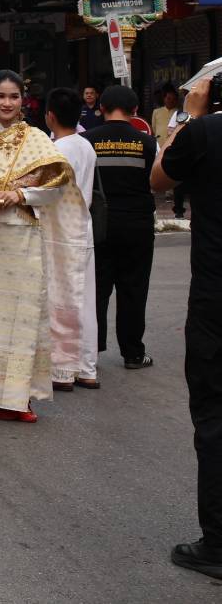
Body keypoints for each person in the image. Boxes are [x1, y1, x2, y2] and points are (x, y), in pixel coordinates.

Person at [150, 77, 222, 578]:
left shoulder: (204, 131)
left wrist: (189, 117)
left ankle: (217, 544)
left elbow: (159, 179)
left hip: (216, 299)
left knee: (215, 417)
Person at [0, 71, 70, 422]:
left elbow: (58, 187)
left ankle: (20, 398)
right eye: (0, 96)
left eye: (13, 96)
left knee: (25, 317)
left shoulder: (38, 138)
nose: (7, 103)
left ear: (23, 100)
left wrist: (22, 194)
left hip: (25, 235)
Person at [83, 84, 158, 370]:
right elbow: (156, 182)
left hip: (98, 225)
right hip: (137, 226)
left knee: (97, 290)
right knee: (134, 290)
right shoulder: (148, 143)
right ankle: (133, 353)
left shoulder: (87, 141)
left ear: (101, 108)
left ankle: (92, 353)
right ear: (135, 110)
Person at [42, 87, 100, 391]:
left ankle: (62, 371)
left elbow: (46, 192)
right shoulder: (86, 145)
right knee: (85, 301)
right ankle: (87, 369)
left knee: (61, 301)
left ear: (50, 116)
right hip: (82, 228)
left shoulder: (55, 150)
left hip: (59, 232)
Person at [154, 85, 188, 217]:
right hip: (179, 148)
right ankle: (178, 210)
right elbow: (169, 131)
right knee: (177, 179)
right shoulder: (178, 114)